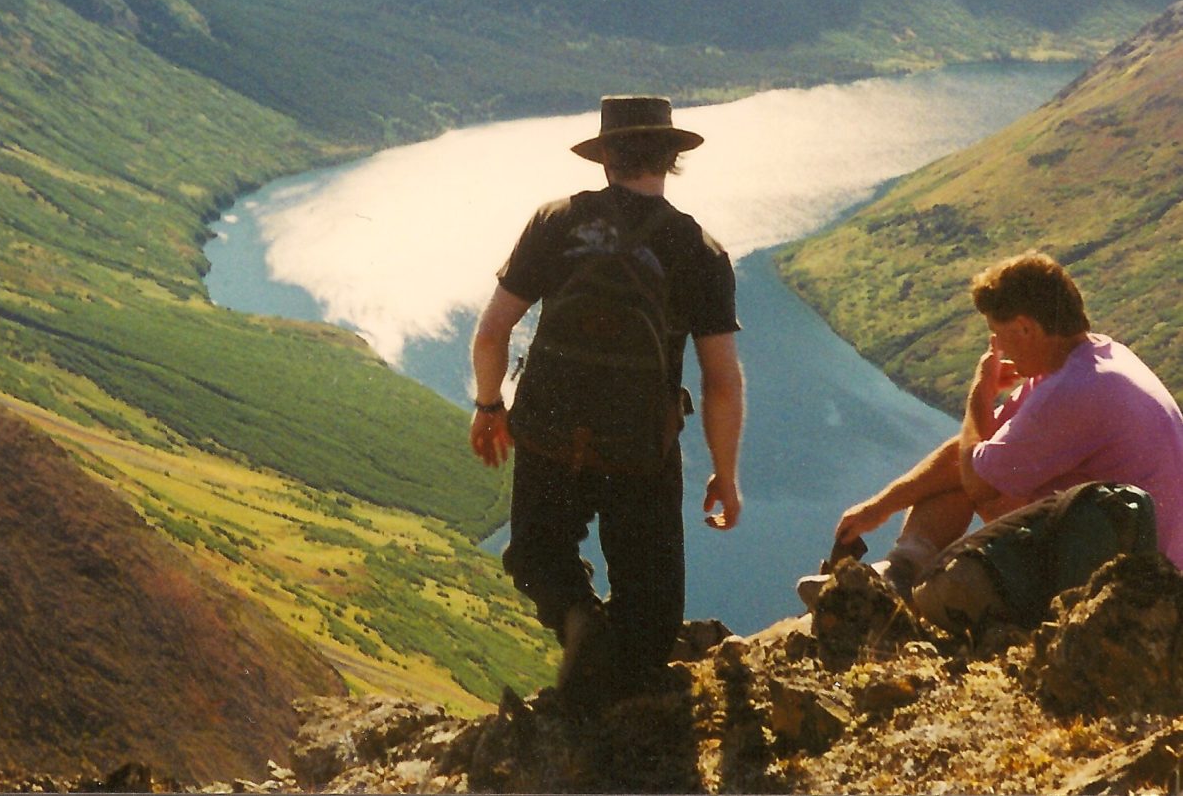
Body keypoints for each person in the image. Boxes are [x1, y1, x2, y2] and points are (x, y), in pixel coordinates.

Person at [468, 94, 746, 706]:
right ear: (672, 158)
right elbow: (721, 380)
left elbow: (492, 335)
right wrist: (724, 474)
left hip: (545, 432)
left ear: (605, 158)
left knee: (538, 555)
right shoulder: (699, 250)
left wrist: (491, 408)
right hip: (640, 449)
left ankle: (577, 620)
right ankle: (620, 694)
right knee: (653, 607)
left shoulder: (555, 221)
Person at [812, 251, 1183, 607]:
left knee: (979, 506)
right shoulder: (1096, 358)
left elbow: (977, 478)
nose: (997, 348)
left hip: (1136, 582)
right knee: (977, 465)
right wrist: (879, 508)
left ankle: (897, 596)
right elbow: (973, 453)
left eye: (997, 333)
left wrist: (980, 395)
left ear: (1026, 327)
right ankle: (896, 575)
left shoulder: (1072, 390)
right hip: (1125, 548)